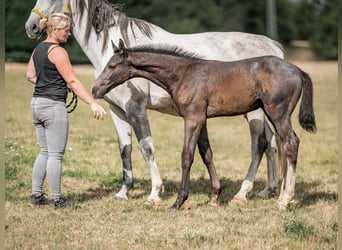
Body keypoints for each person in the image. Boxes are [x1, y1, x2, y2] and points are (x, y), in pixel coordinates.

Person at [26, 13, 107, 209]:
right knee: (55, 155)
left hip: (37, 103)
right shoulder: (58, 52)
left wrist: (53, 84)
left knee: (44, 151)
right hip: (53, 106)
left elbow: (30, 76)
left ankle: (36, 196)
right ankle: (57, 200)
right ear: (54, 30)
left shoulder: (38, 49)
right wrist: (92, 103)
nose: (69, 34)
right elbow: (72, 80)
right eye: (66, 30)